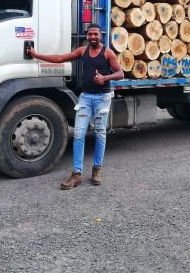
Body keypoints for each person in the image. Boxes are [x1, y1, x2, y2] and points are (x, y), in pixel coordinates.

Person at [27, 23, 124, 189]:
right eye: (90, 34)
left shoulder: (107, 52)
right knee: (79, 135)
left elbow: (121, 73)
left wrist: (105, 78)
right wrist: (36, 55)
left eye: (96, 34)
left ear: (100, 35)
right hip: (85, 98)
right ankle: (77, 174)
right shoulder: (82, 51)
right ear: (87, 36)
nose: (93, 37)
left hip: (102, 98)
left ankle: (97, 169)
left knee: (100, 134)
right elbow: (60, 59)